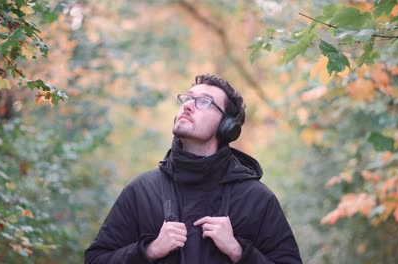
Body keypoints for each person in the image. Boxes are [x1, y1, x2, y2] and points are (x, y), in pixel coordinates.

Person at [84, 74, 302, 263]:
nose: (188, 105)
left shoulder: (257, 199)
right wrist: (148, 251)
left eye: (204, 102)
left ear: (227, 127)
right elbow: (95, 260)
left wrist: (238, 252)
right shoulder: (141, 191)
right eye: (187, 98)